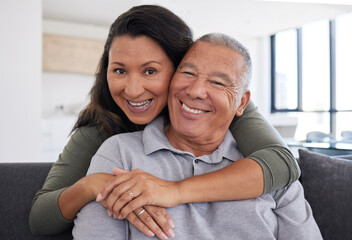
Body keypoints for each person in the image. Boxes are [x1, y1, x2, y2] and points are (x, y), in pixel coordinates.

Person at [29, 5, 300, 240]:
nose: (133, 90)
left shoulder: (219, 105)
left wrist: (174, 191)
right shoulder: (101, 133)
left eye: (150, 71)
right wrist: (97, 184)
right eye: (119, 70)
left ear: (178, 67)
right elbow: (41, 218)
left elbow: (282, 163)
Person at [73, 33, 322, 239]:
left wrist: (174, 191)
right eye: (188, 74)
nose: (196, 91)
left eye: (218, 82)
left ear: (241, 102)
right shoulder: (119, 153)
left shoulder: (269, 171)